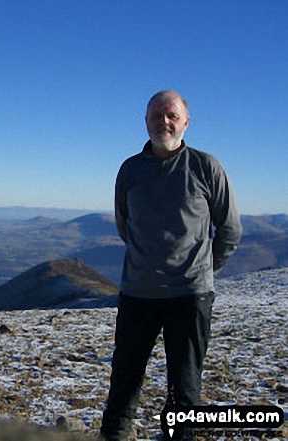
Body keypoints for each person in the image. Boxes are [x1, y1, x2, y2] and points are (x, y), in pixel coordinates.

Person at [99, 91, 242, 440]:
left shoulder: (206, 167)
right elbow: (125, 225)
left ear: (185, 122)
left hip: (190, 296)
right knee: (125, 376)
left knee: (185, 382)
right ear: (145, 121)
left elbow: (230, 229)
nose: (164, 122)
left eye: (171, 115)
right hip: (138, 293)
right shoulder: (130, 170)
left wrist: (203, 271)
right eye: (156, 116)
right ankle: (115, 435)